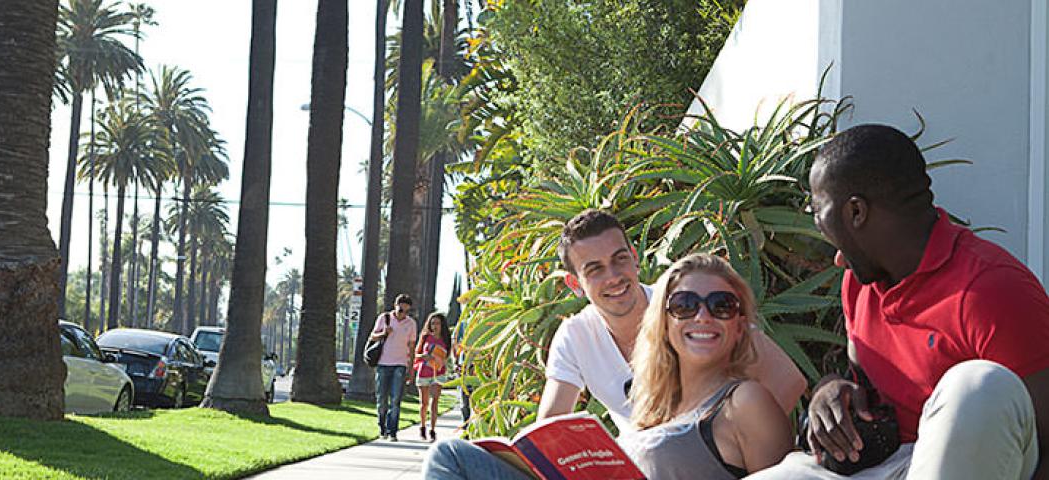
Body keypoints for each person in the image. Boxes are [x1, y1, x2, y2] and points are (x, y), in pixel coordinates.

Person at [748, 124, 1049, 479]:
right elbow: (864, 382)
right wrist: (830, 391)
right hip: (883, 466)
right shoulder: (859, 283)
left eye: (817, 210)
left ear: (855, 212)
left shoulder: (993, 287)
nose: (816, 224)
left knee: (977, 384)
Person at [423, 209, 807, 479]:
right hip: (626, 465)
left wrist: (713, 446)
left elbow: (788, 381)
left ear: (635, 259)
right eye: (594, 269)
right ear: (576, 284)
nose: (614, 277)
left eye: (620, 259)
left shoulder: (683, 307)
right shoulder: (576, 336)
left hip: (675, 462)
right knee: (449, 456)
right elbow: (550, 430)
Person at [618, 253, 792, 479]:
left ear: (739, 327)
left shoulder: (745, 402)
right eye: (685, 305)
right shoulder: (653, 408)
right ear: (665, 323)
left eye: (721, 305)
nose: (703, 316)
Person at [370, 294, 418, 442]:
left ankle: (392, 432)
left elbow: (411, 347)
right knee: (382, 398)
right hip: (383, 364)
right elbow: (372, 336)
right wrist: (384, 333)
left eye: (405, 311)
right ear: (395, 305)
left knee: (396, 399)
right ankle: (382, 428)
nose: (402, 313)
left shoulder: (411, 324)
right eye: (400, 309)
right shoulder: (384, 318)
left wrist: (411, 370)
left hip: (400, 364)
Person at [415, 312, 452, 442]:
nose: (434, 326)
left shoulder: (446, 340)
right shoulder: (425, 337)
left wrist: (439, 360)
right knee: (424, 403)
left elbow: (447, 357)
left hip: (438, 373)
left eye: (437, 323)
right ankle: (423, 427)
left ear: (442, 325)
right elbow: (416, 354)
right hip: (424, 371)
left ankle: (433, 430)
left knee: (435, 401)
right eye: (432, 323)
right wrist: (424, 357)